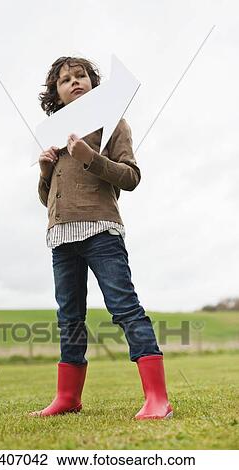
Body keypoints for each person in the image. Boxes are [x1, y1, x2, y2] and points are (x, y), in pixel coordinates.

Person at [29, 56, 173, 420]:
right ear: (56, 94)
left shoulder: (114, 123)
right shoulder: (52, 133)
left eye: (82, 76)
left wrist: (90, 157)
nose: (74, 82)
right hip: (61, 238)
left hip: (101, 232)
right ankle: (68, 397)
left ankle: (158, 399)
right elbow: (48, 198)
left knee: (125, 309)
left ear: (94, 84)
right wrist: (45, 171)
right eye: (65, 80)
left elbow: (131, 177)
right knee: (69, 318)